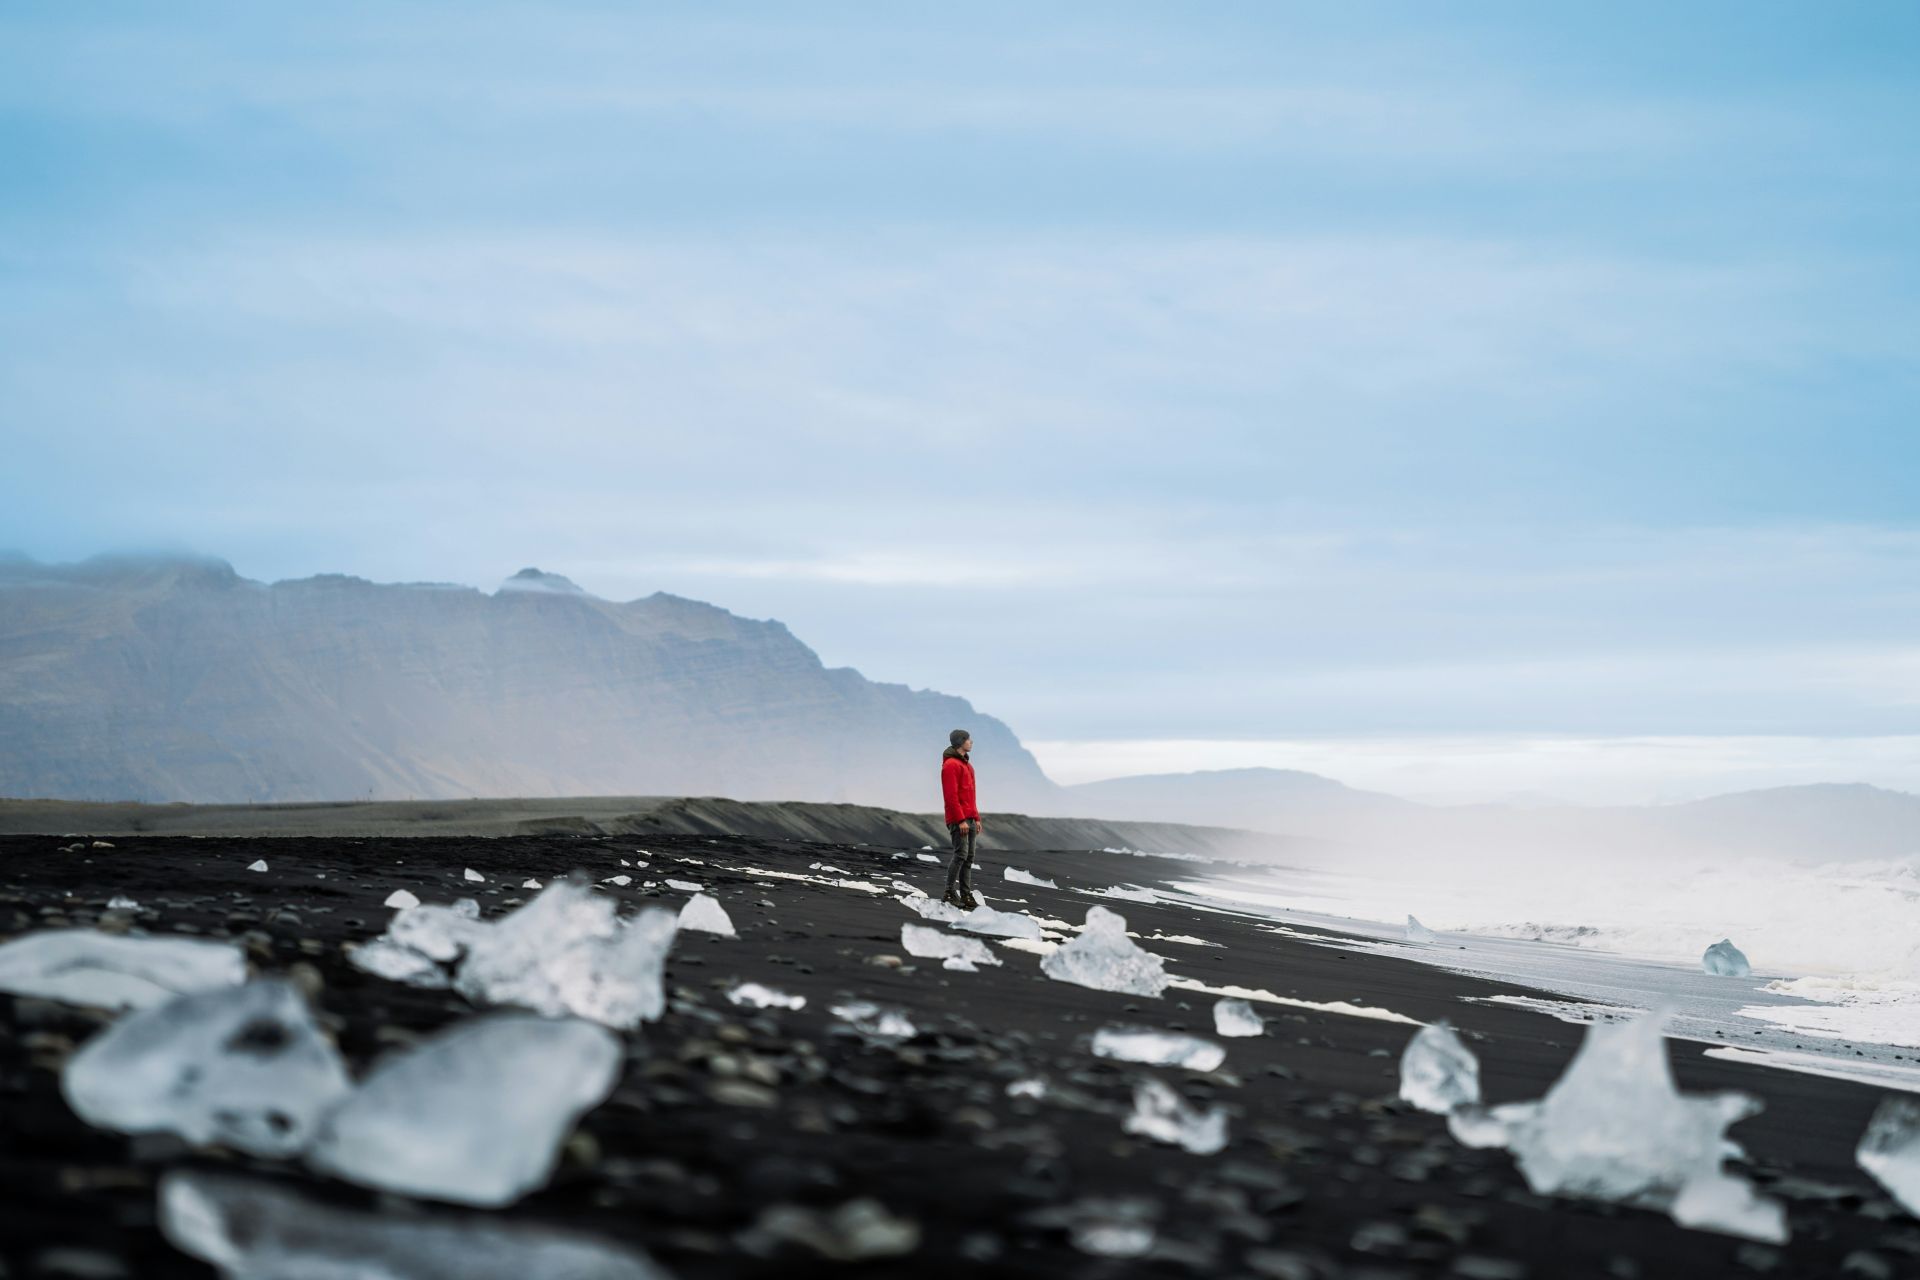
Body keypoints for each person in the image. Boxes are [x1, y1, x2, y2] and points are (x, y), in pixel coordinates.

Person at [941, 728, 982, 908]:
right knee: (960, 855)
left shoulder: (967, 765)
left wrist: (976, 818)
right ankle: (949, 892)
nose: (971, 742)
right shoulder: (950, 765)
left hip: (970, 819)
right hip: (959, 820)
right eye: (968, 739)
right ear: (960, 742)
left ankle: (965, 895)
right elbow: (951, 796)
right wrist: (960, 820)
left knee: (969, 857)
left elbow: (970, 795)